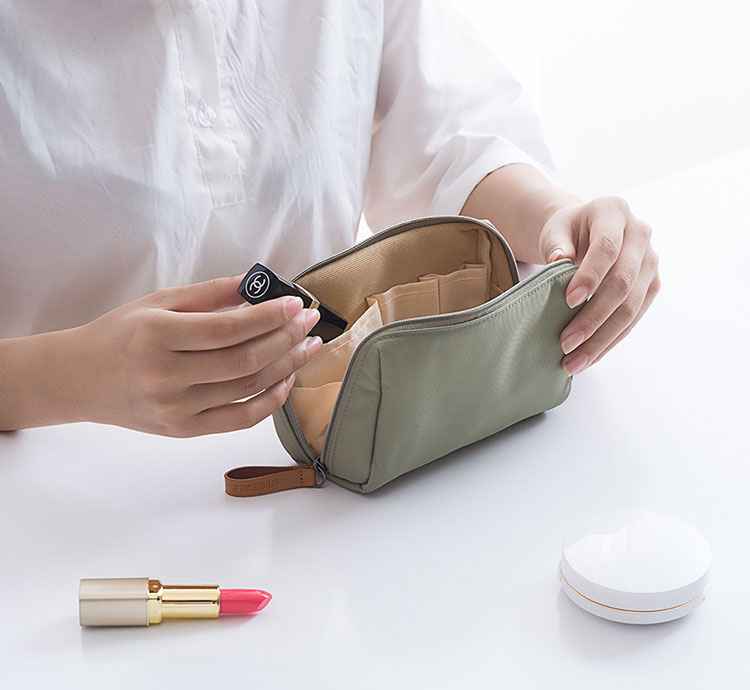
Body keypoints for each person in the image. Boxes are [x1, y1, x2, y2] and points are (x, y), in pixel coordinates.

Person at [0, 0, 659, 437]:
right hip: (53, 500)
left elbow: (448, 139)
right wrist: (72, 377)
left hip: (330, 441)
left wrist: (559, 218)